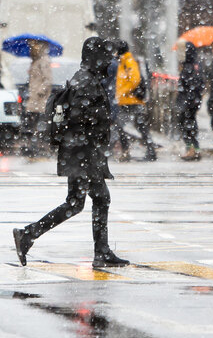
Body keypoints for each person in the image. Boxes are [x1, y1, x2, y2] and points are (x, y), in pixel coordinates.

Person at [12, 37, 130, 269]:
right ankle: (100, 252)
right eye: (106, 57)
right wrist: (96, 125)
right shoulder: (86, 81)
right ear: (96, 58)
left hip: (81, 151)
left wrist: (118, 48)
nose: (109, 61)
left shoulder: (86, 77)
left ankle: (28, 235)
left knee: (76, 203)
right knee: (97, 199)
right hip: (83, 152)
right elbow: (78, 117)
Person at [112, 41, 155, 161]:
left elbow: (134, 80)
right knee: (138, 126)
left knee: (122, 126)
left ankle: (128, 152)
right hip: (127, 101)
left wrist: (122, 92)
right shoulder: (123, 61)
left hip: (132, 101)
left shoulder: (128, 61)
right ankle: (148, 151)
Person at [23, 39, 53, 157]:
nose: (31, 50)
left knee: (38, 123)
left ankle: (38, 147)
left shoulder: (43, 61)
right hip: (34, 98)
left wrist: (40, 91)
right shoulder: (35, 61)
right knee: (33, 123)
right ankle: (34, 147)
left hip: (39, 99)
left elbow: (48, 79)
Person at [176, 40, 205, 161]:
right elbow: (201, 84)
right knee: (190, 124)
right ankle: (194, 148)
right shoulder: (195, 65)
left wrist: (187, 100)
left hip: (188, 102)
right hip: (192, 101)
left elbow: (189, 85)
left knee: (186, 124)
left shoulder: (189, 67)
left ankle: (191, 148)